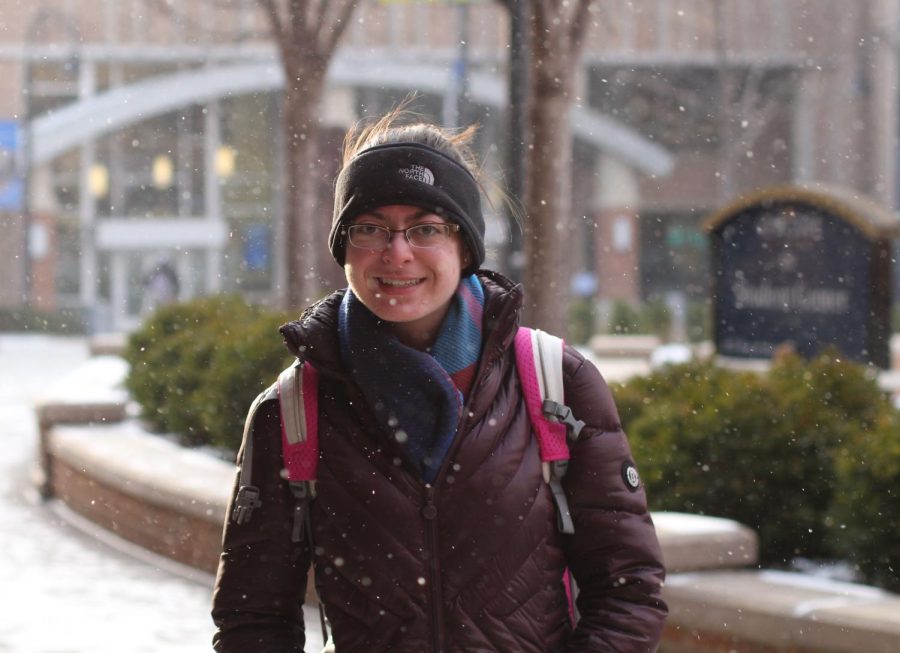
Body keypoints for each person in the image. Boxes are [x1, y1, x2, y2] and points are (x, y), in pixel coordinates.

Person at [211, 108, 667, 652]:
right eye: (370, 228)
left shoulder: (556, 384)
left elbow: (628, 591)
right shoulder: (292, 411)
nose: (396, 252)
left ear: (464, 246)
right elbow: (252, 618)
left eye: (426, 228)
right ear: (344, 247)